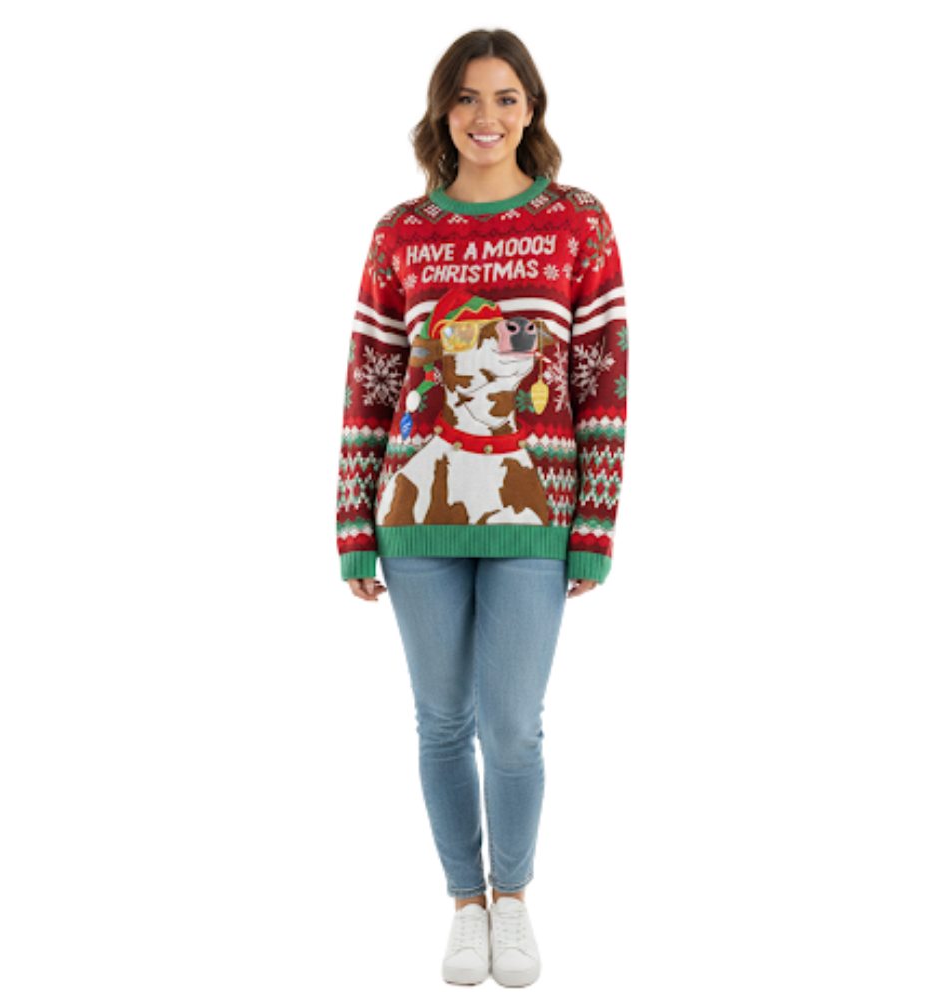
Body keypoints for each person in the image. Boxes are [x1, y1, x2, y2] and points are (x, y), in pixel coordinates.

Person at [335, 27, 628, 988]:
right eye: (465, 97)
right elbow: (372, 381)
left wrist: (594, 525)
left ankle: (515, 899)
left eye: (505, 96)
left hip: (533, 511)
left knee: (513, 727)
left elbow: (602, 379)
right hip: (415, 513)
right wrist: (352, 526)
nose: (485, 116)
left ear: (531, 108)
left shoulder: (578, 222)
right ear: (442, 112)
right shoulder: (402, 232)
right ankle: (465, 905)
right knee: (439, 722)